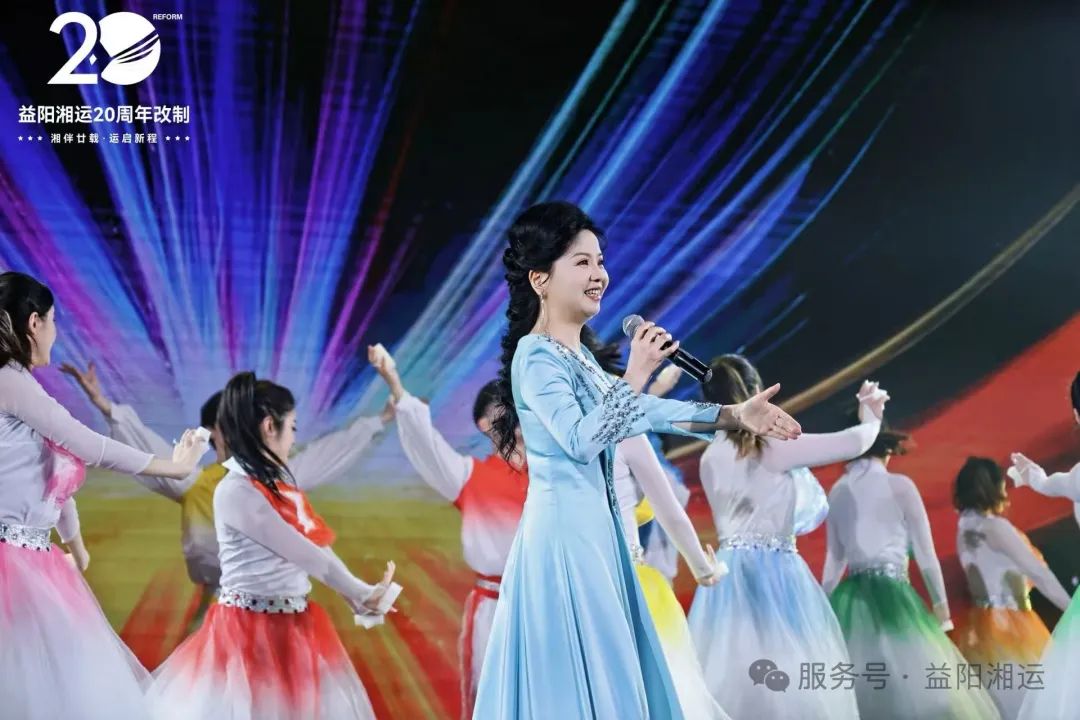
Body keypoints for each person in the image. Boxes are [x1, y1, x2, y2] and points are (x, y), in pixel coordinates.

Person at [471, 201, 800, 719]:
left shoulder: (579, 358)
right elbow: (581, 439)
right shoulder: (535, 356)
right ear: (540, 279)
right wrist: (637, 373)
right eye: (582, 262)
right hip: (565, 545)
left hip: (599, 542)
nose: (599, 275)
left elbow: (642, 412)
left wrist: (734, 414)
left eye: (600, 262)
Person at [0, 271, 205, 719]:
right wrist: (174, 466)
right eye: (54, 320)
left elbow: (54, 481)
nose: (56, 332)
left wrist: (77, 547)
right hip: (12, 567)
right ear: (34, 323)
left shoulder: (19, 387)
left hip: (33, 561)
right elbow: (88, 446)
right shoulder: (9, 382)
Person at [61, 360, 390, 635]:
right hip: (228, 614)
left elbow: (324, 470)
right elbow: (150, 451)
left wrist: (378, 421)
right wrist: (109, 409)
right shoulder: (211, 486)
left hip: (278, 615)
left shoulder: (279, 482)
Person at [145, 372, 399, 719]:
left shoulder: (280, 485)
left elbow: (316, 543)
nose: (294, 438)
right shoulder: (237, 491)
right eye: (292, 427)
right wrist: (359, 590)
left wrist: (360, 595)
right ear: (269, 426)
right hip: (246, 635)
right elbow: (304, 552)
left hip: (294, 627)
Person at [688, 354, 877, 719]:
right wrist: (872, 417)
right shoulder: (769, 446)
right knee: (792, 683)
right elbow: (852, 443)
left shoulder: (710, 455)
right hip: (776, 573)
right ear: (757, 391)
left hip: (727, 576)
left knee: (734, 678)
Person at [369, 344, 528, 719]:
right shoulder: (471, 475)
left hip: (548, 603)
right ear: (485, 426)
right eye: (504, 413)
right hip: (495, 610)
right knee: (496, 702)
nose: (517, 419)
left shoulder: (555, 474)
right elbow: (427, 444)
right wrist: (394, 382)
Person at [826, 430, 1001, 719]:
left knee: (865, 693)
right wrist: (942, 612)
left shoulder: (837, 491)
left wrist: (823, 606)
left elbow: (834, 559)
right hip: (895, 597)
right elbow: (925, 552)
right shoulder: (900, 485)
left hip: (852, 604)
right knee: (924, 694)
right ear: (887, 448)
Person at [952, 457, 1067, 719]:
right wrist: (1071, 609)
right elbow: (1040, 575)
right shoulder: (995, 528)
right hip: (1013, 628)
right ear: (993, 486)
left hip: (981, 630)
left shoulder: (965, 529)